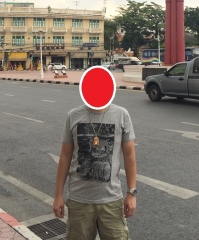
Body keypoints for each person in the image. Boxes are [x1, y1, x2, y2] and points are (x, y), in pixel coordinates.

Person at [53, 103, 137, 240]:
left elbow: (129, 155)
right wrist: (58, 196)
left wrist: (131, 193)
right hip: (79, 200)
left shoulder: (122, 115)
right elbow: (65, 156)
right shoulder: (73, 116)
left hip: (112, 200)